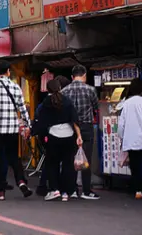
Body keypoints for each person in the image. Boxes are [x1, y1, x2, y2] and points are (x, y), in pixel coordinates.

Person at [0, 61, 33, 201]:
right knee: (13, 157)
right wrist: (28, 125)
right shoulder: (15, 87)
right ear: (8, 72)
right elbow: (22, 109)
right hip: (12, 129)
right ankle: (21, 181)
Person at [36, 78, 82, 202]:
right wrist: (79, 136)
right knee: (68, 165)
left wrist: (39, 134)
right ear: (60, 88)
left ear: (48, 89)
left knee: (52, 164)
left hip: (53, 136)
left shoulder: (46, 102)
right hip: (69, 136)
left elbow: (41, 122)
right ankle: (66, 192)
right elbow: (75, 120)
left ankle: (54, 190)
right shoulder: (67, 101)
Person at [61, 64, 100, 200]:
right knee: (86, 159)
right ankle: (86, 191)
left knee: (71, 158)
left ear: (72, 77)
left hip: (69, 127)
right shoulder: (90, 90)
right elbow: (96, 108)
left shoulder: (64, 91)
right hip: (86, 127)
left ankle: (71, 190)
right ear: (84, 75)